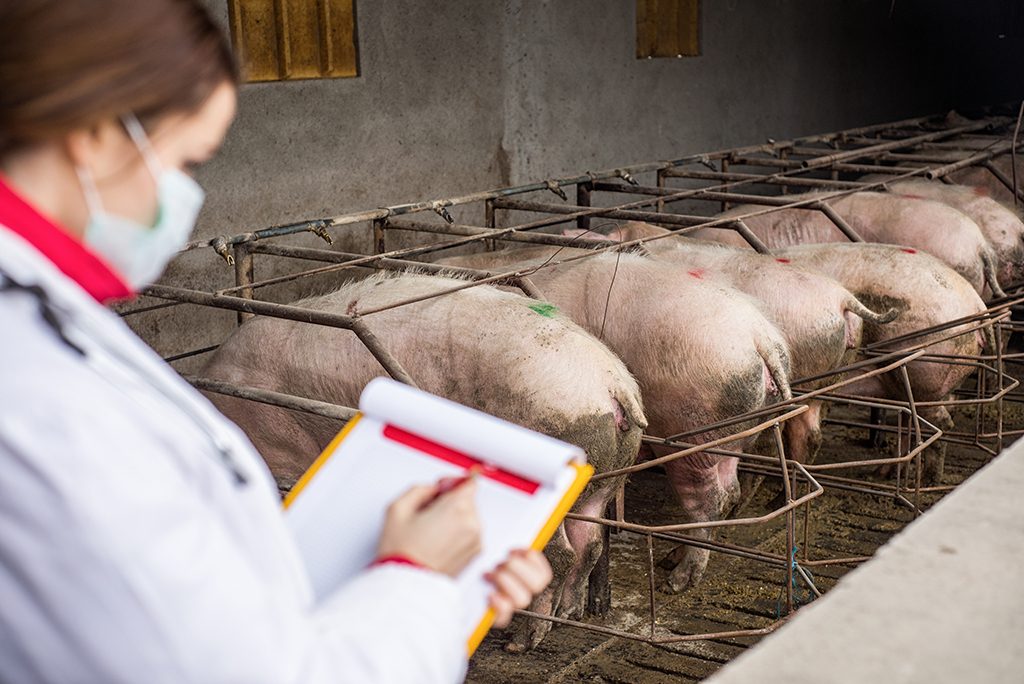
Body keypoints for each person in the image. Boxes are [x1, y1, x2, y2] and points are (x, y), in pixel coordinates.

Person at [0, 1, 552, 681]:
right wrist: (417, 578)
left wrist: (419, 588)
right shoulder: (39, 398)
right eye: (186, 161)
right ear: (95, 134)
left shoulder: (45, 325)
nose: (184, 197)